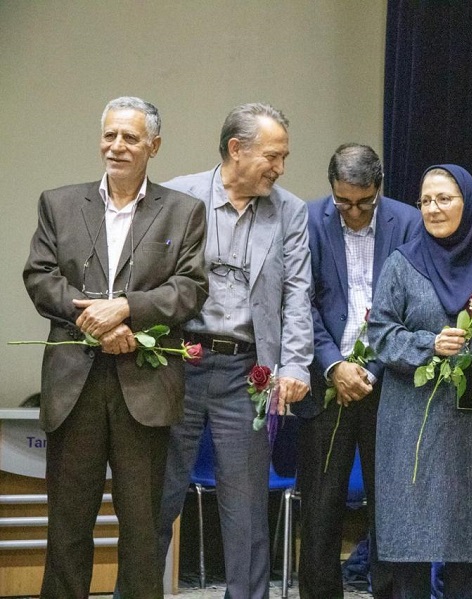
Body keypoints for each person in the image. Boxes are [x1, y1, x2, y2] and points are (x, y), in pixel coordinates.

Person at [23, 96, 208, 599]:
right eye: (110, 135)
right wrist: (97, 322)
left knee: (143, 532)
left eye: (130, 137)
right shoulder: (59, 203)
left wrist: (126, 309)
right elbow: (40, 277)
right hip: (73, 385)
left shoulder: (183, 211)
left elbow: (191, 288)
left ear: (154, 146)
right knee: (67, 528)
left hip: (145, 387)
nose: (117, 146)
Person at [156, 103, 314, 599]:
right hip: (178, 364)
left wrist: (295, 365)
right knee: (156, 500)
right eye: (273, 156)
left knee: (246, 513)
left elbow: (297, 294)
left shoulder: (289, 211)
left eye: (284, 157)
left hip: (247, 373)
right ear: (236, 149)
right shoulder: (178, 196)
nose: (280, 167)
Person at [367, 165, 472, 599]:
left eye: (444, 199)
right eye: (425, 200)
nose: (432, 209)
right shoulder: (402, 264)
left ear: (469, 203)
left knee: (469, 542)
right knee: (410, 542)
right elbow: (380, 334)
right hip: (411, 424)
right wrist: (427, 344)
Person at [297, 143, 420, 599]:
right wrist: (334, 365)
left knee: (389, 505)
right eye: (343, 202)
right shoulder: (308, 220)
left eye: (363, 203)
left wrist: (373, 368)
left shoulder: (408, 223)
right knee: (321, 505)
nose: (352, 212)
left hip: (388, 384)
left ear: (378, 188)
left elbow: (414, 307)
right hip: (328, 382)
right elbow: (301, 304)